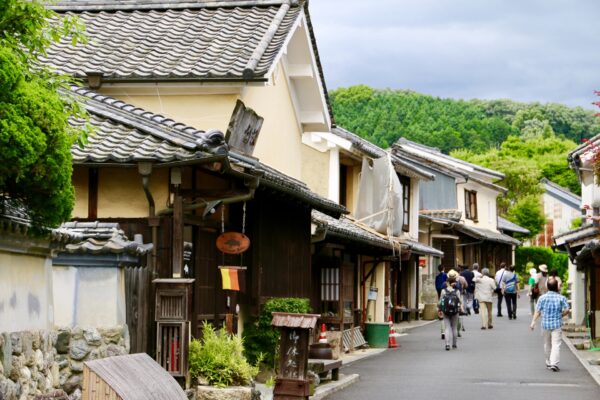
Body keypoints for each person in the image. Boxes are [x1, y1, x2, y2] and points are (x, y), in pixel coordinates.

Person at [530, 278, 570, 372]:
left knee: (547, 344)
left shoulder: (542, 298)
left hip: (545, 325)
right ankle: (554, 363)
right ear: (557, 287)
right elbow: (567, 310)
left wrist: (533, 322)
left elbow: (538, 311)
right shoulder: (561, 298)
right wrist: (561, 315)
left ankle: (548, 361)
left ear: (547, 287)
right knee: (556, 344)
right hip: (557, 324)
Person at [438, 272, 463, 350]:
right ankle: (454, 344)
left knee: (447, 328)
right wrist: (461, 309)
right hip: (455, 311)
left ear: (447, 283)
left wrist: (439, 309)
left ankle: (447, 344)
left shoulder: (443, 291)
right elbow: (460, 302)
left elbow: (441, 302)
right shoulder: (457, 291)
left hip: (445, 311)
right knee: (454, 327)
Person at [435, 265, 448, 339]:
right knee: (444, 301)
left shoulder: (437, 276)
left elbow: (436, 284)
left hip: (439, 289)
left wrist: (437, 290)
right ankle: (443, 311)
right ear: (443, 268)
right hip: (444, 290)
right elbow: (447, 283)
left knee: (440, 301)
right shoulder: (446, 275)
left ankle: (439, 313)